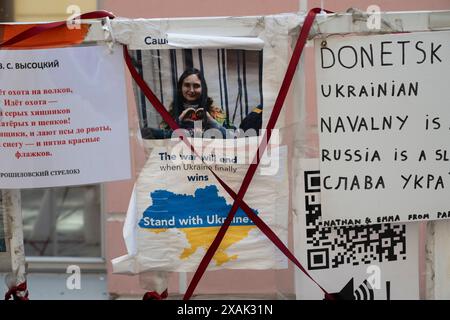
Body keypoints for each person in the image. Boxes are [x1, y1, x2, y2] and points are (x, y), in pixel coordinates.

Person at [142, 68, 227, 139]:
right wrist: (178, 121)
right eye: (187, 85)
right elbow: (163, 141)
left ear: (203, 88)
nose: (191, 90)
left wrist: (212, 122)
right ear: (180, 88)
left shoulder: (216, 112)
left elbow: (233, 136)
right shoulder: (171, 114)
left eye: (196, 86)